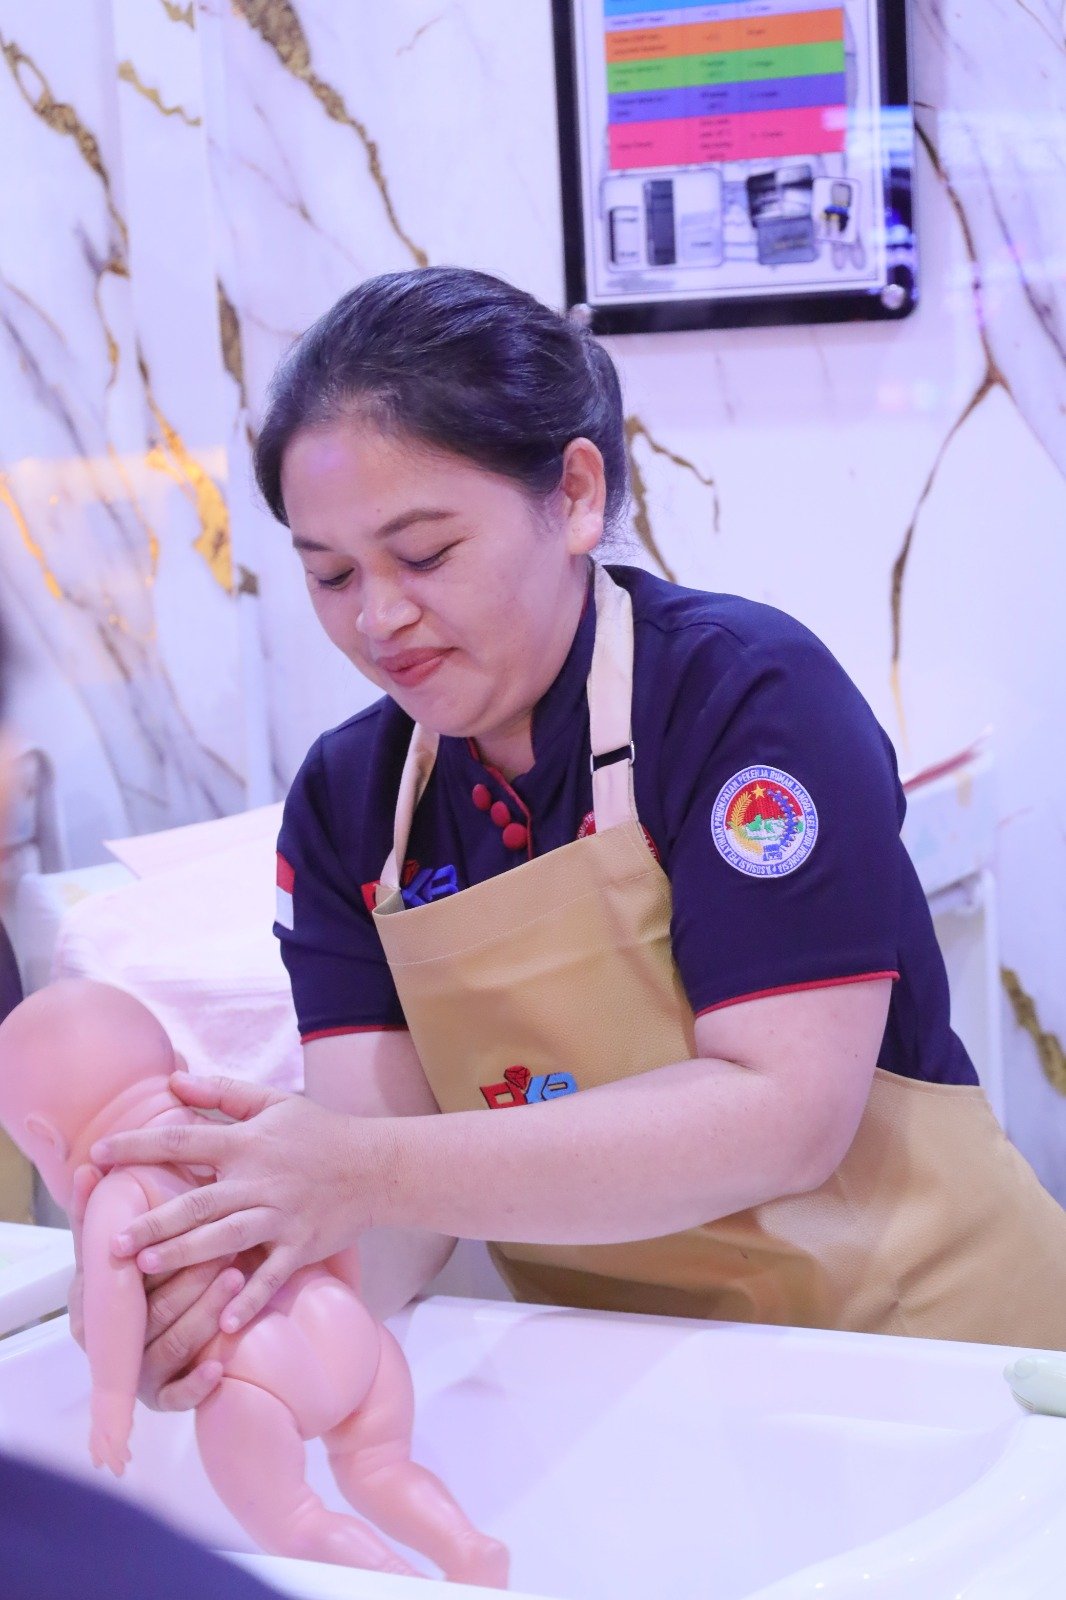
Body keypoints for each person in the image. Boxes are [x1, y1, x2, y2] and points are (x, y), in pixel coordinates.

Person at [88, 266, 1066, 1373]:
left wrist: (359, 1170)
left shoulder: (744, 698)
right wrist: (223, 1300)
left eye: (424, 554)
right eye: (331, 575)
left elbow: (786, 1116)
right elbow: (390, 1220)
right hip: (618, 1383)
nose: (378, 617)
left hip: (927, 1359)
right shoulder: (348, 801)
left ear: (577, 495)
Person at [0, 623, 282, 1597]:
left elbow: (118, 1292)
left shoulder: (125, 1185)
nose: (17, 766)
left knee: (294, 1510)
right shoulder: (209, 1141)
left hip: (248, 1376)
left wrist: (109, 1405)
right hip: (319, 1355)